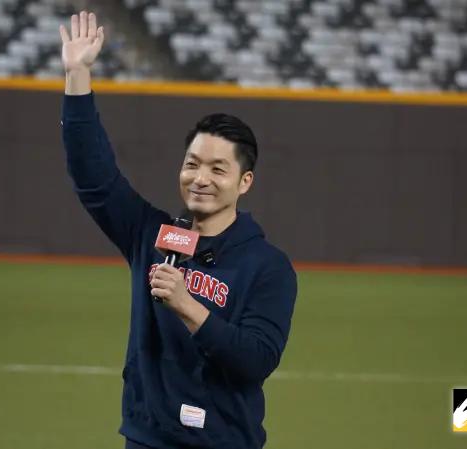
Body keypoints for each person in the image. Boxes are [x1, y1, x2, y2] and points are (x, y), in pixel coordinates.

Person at [59, 11, 298, 449]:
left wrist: (187, 305)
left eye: (217, 169)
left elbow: (255, 360)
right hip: (147, 439)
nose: (200, 178)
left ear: (244, 182)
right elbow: (94, 178)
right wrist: (78, 76)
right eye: (192, 164)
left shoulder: (267, 266)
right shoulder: (153, 235)